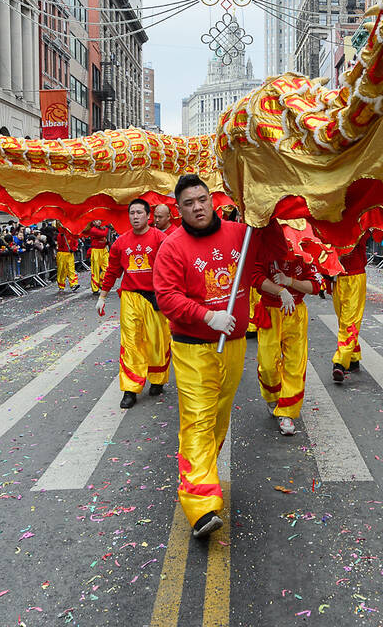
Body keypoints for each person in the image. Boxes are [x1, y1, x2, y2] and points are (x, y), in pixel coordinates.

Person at [154, 174, 267, 541]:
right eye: (189, 203)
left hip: (232, 346)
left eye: (202, 199)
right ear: (179, 210)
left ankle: (201, 473)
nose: (197, 207)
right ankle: (201, 503)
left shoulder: (240, 233)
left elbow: (261, 263)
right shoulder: (172, 246)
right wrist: (206, 315)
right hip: (193, 346)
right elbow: (167, 297)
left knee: (218, 416)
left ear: (212, 200)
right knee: (199, 418)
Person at [100, 199, 170, 409]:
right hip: (130, 297)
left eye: (140, 212)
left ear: (148, 216)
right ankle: (130, 388)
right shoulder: (121, 242)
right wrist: (102, 296)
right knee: (131, 342)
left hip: (155, 297)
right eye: (132, 213)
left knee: (158, 342)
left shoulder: (161, 238)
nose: (135, 216)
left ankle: (157, 380)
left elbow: (172, 267)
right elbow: (113, 270)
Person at [255, 228, 322, 437]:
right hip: (269, 311)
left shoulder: (306, 248)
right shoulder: (265, 244)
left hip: (295, 314)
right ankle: (273, 397)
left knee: (295, 363)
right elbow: (255, 277)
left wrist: (290, 282)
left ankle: (287, 412)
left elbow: (315, 286)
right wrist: (279, 291)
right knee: (267, 364)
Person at [331, 230, 370, 383]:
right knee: (343, 319)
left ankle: (340, 361)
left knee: (349, 321)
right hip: (338, 278)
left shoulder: (359, 222)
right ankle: (353, 359)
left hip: (354, 277)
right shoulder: (330, 219)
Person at [85, 218, 113, 295]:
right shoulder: (93, 230)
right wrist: (107, 228)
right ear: (93, 222)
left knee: (107, 268)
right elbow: (103, 234)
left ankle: (101, 282)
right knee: (95, 270)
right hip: (96, 251)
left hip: (103, 250)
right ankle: (95, 288)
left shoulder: (102, 228)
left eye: (100, 220)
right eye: (96, 221)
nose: (99, 222)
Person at [53, 223, 80, 290]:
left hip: (70, 254)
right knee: (62, 270)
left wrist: (73, 249)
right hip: (62, 254)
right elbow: (60, 244)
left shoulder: (72, 234)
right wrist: (62, 236)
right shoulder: (60, 235)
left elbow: (75, 243)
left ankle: (73, 284)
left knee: (71, 269)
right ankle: (61, 285)